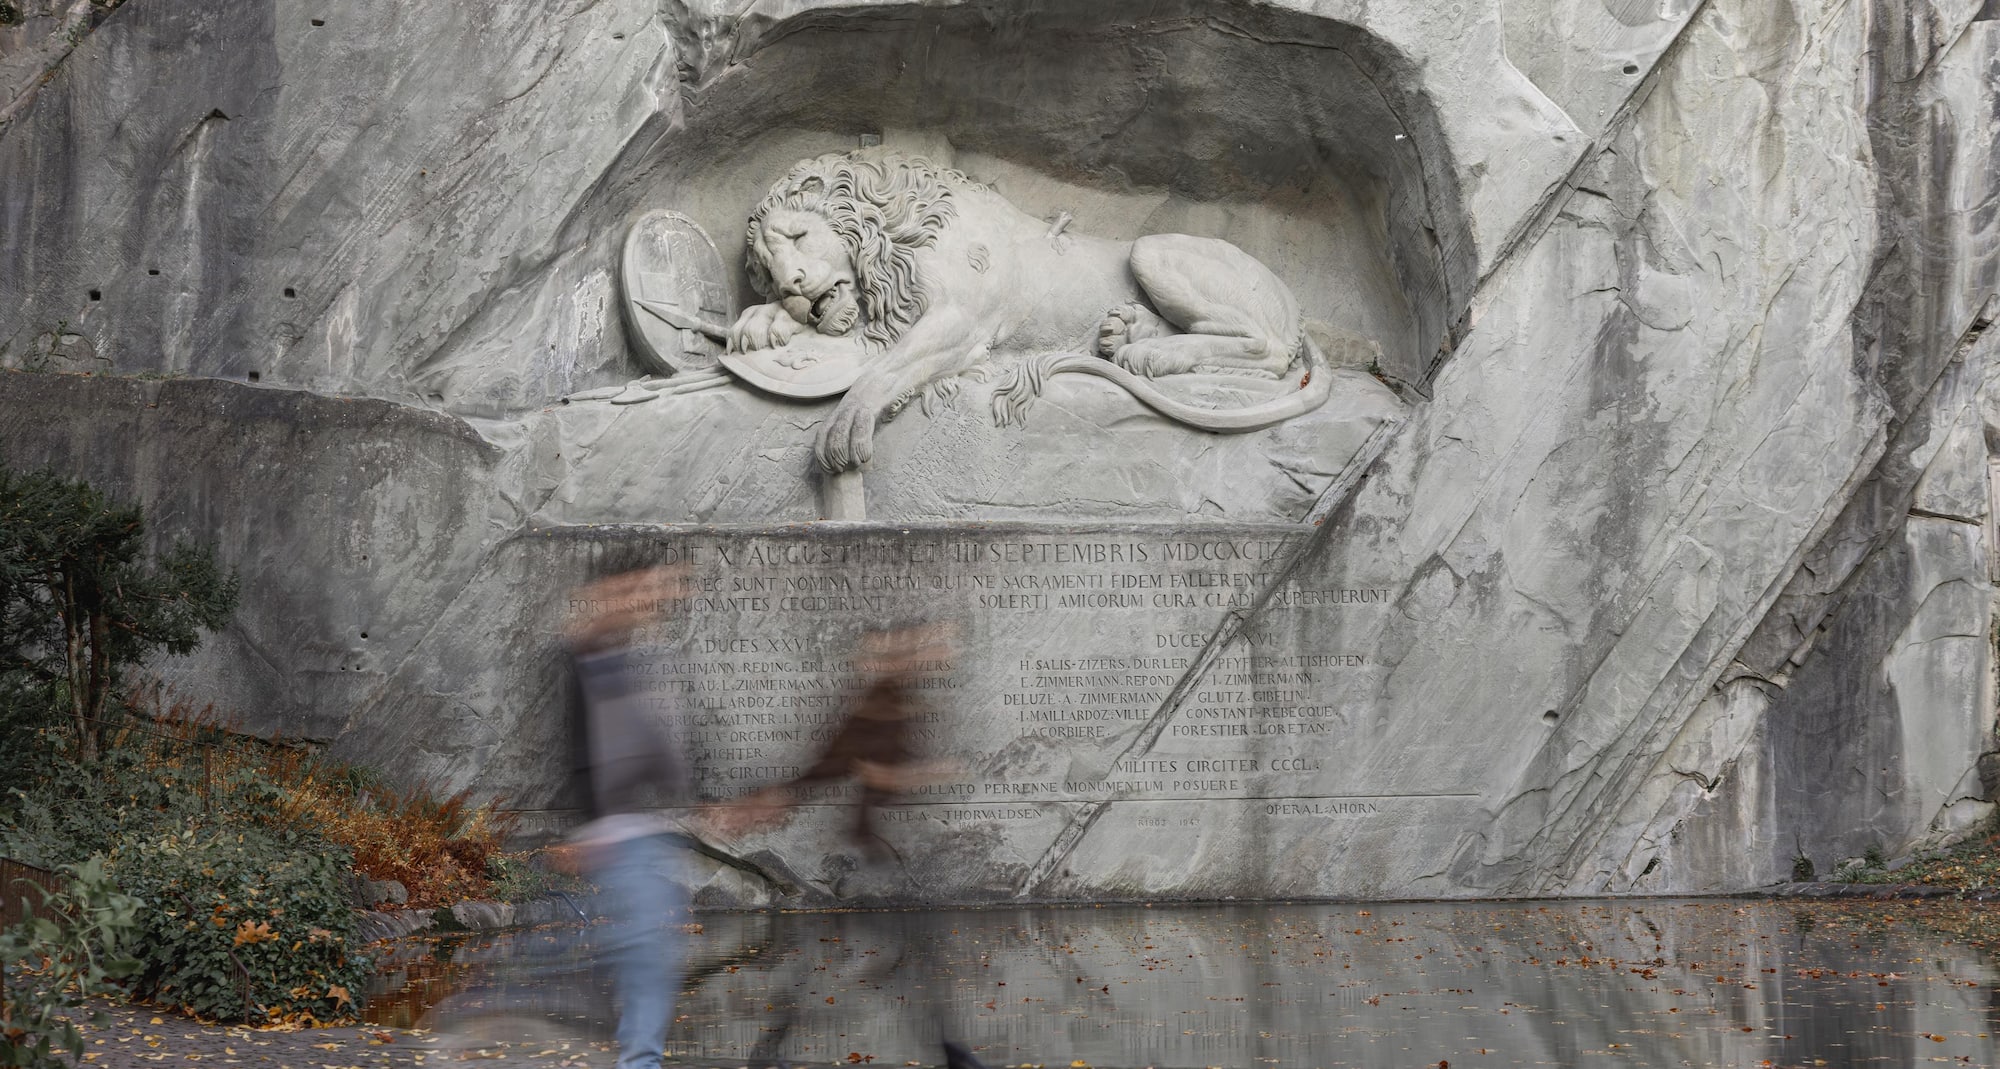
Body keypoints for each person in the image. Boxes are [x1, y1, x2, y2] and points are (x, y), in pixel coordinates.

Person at [715, 619, 987, 1069]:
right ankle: (948, 1053)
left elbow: (841, 770)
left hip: (874, 848)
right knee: (883, 949)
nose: (937, 655)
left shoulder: (897, 704)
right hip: (866, 853)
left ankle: (947, 1051)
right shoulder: (875, 706)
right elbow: (849, 769)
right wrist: (930, 772)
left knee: (895, 950)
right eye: (922, 649)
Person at [562, 565, 693, 1069]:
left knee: (648, 955)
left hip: (641, 833)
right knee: (645, 961)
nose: (651, 600)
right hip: (617, 835)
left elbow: (653, 753)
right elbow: (588, 635)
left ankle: (637, 1057)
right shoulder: (592, 656)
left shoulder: (624, 665)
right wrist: (636, 596)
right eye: (634, 590)